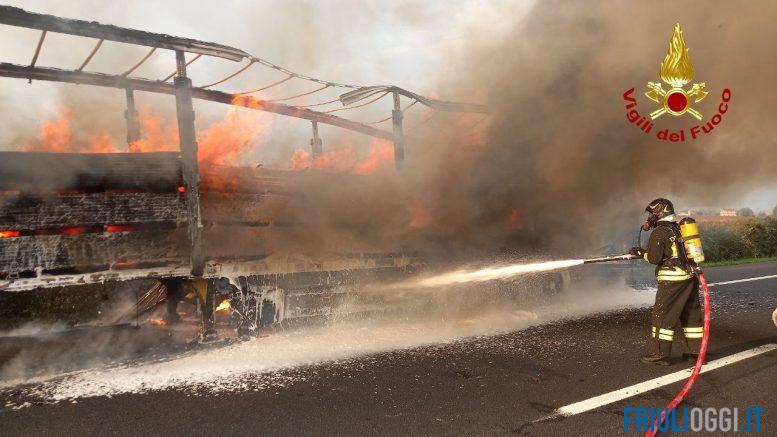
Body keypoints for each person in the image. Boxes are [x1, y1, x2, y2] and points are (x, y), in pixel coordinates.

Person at [630, 198, 703, 366]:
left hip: (672, 280)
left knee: (662, 316)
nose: (649, 218)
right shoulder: (679, 228)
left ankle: (660, 354)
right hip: (690, 277)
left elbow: (654, 258)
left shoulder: (660, 232)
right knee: (691, 315)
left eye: (651, 214)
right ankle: (695, 352)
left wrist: (641, 253)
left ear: (659, 213)